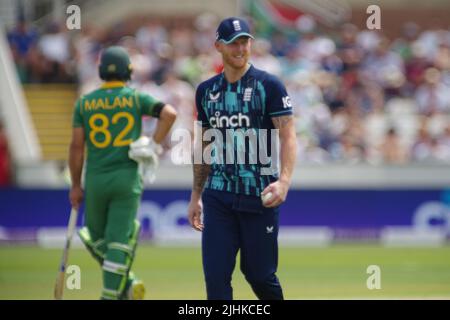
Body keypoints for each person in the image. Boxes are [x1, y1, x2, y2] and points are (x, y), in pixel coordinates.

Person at [187, 17, 297, 300]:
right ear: (218, 46)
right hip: (218, 195)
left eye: (244, 41)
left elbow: (288, 136)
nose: (240, 48)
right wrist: (196, 193)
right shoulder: (206, 91)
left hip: (259, 194)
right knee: (216, 278)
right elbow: (204, 144)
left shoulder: (269, 85)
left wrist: (284, 181)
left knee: (259, 275)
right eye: (233, 43)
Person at [69, 46, 177, 300]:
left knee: (94, 236)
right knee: (117, 241)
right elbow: (169, 114)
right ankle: (124, 284)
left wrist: (75, 184)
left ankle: (114, 293)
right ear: (128, 71)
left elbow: (76, 147)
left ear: (100, 72)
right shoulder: (135, 97)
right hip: (127, 178)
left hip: (95, 179)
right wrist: (153, 143)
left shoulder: (85, 103)